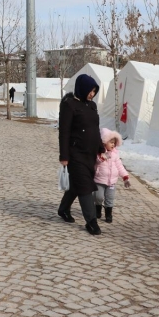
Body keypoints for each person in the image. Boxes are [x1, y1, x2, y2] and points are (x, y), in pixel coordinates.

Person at [57, 74, 104, 235]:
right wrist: (64, 156)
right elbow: (64, 132)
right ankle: (91, 222)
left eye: (94, 91)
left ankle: (63, 209)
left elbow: (95, 129)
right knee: (85, 186)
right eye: (90, 90)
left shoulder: (92, 106)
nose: (92, 94)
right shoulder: (69, 105)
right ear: (82, 88)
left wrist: (101, 149)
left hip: (90, 154)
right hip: (75, 153)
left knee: (76, 184)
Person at [94, 128, 131, 224]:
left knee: (110, 198)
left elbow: (119, 166)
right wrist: (103, 157)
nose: (113, 144)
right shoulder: (99, 152)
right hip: (99, 180)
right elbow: (96, 161)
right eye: (111, 142)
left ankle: (108, 214)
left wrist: (125, 177)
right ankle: (97, 209)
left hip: (112, 182)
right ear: (104, 142)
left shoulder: (115, 154)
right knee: (98, 197)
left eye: (114, 143)